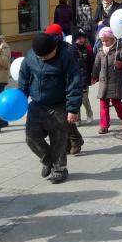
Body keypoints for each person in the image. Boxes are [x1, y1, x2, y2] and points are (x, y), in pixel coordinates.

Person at [19, 33, 82, 183]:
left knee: (58, 140)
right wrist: (21, 97)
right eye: (39, 56)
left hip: (58, 105)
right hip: (37, 104)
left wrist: (72, 109)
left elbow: (74, 83)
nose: (42, 59)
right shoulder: (31, 56)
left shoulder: (66, 58)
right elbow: (24, 77)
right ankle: (47, 159)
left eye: (45, 56)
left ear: (54, 48)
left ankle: (60, 170)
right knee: (31, 137)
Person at [44, 24, 85, 154]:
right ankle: (68, 143)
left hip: (67, 88)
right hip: (53, 89)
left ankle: (76, 140)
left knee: (65, 118)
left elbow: (75, 71)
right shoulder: (48, 48)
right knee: (59, 119)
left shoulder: (68, 51)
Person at [91, 27, 122, 134]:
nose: (104, 42)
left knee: (116, 102)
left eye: (107, 40)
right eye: (103, 41)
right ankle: (104, 125)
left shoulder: (120, 49)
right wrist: (94, 76)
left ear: (112, 39)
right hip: (103, 82)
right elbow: (96, 65)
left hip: (115, 81)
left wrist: (121, 64)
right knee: (103, 104)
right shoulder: (100, 51)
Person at [73, 30, 95, 124]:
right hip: (74, 79)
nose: (82, 40)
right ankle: (78, 118)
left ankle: (89, 113)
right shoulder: (71, 50)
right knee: (75, 99)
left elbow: (91, 64)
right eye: (79, 38)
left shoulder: (87, 50)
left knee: (84, 98)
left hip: (84, 78)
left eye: (83, 38)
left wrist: (92, 76)